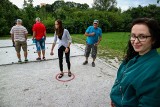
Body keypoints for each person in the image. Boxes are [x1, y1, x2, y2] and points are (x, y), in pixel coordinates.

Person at [110, 18, 160, 107]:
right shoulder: (133, 56)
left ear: (154, 39)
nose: (136, 41)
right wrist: (114, 98)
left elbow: (149, 103)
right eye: (133, 36)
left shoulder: (156, 68)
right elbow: (120, 80)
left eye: (142, 36)